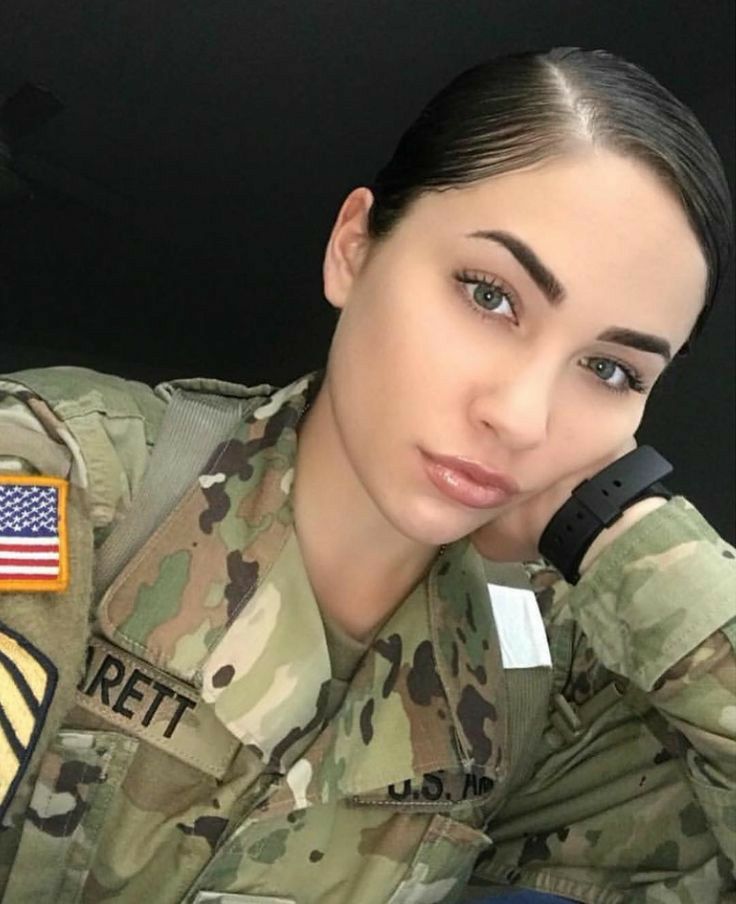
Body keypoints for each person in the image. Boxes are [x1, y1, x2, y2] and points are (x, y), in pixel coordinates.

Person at [0, 46, 733, 904]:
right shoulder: (60, 480)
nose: (524, 418)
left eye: (611, 371)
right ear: (353, 247)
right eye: (489, 295)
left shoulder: (536, 677)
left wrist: (627, 529)